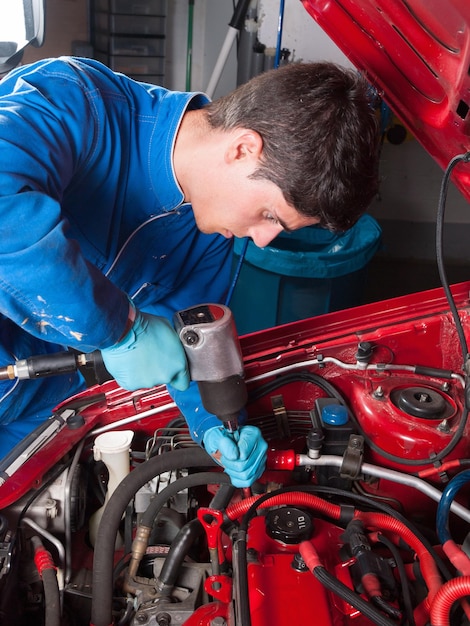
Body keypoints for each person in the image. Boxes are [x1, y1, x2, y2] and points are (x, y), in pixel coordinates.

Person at [0, 57, 379, 486]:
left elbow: (191, 340)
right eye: (270, 215)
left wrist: (214, 421)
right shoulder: (74, 99)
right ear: (242, 149)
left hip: (45, 414)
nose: (263, 239)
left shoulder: (211, 239)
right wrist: (120, 329)